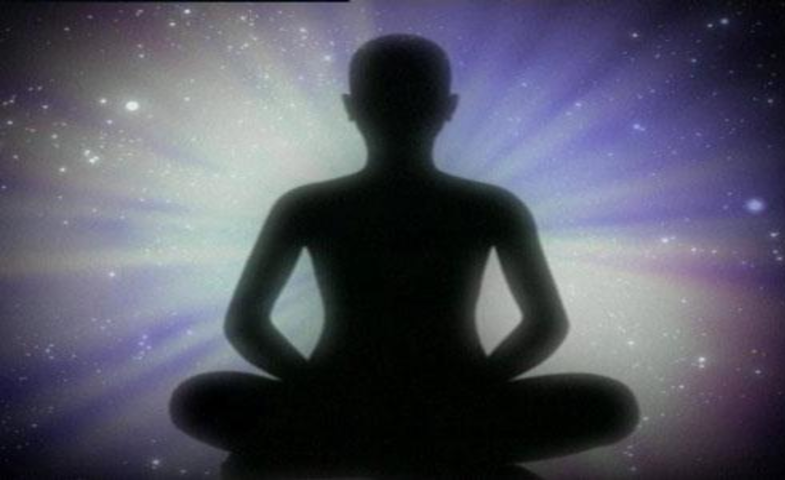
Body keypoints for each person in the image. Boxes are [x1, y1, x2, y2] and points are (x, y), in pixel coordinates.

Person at [170, 34, 638, 476]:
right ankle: (437, 458)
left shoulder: (311, 205)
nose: (398, 112)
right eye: (389, 99)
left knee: (612, 404)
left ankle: (358, 453)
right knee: (195, 398)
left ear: (352, 108)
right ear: (447, 108)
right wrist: (473, 389)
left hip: (360, 405)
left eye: (407, 99)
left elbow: (246, 323)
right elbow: (544, 325)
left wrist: (316, 390)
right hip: (424, 404)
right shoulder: (488, 206)